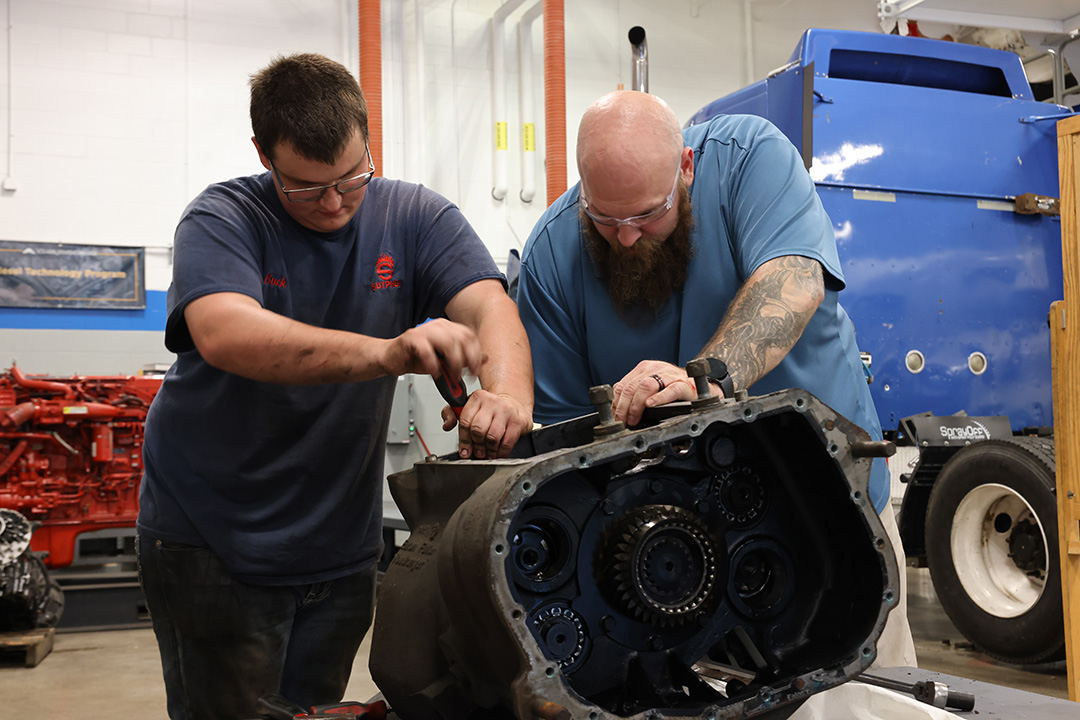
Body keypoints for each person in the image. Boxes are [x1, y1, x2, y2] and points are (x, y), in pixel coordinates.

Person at [136, 53, 534, 719]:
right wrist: (387, 353)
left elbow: (489, 306)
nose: (333, 204)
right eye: (306, 188)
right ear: (263, 154)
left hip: (340, 551)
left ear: (369, 139)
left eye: (352, 179)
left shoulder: (415, 217)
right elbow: (226, 332)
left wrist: (508, 395)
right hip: (213, 544)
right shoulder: (222, 218)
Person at [516, 90, 916, 668]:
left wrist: (707, 382)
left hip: (832, 515)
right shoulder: (552, 256)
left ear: (686, 166)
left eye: (647, 214)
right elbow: (563, 446)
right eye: (604, 218)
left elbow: (794, 279)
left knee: (865, 693)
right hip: (676, 561)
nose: (626, 236)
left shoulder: (749, 157)